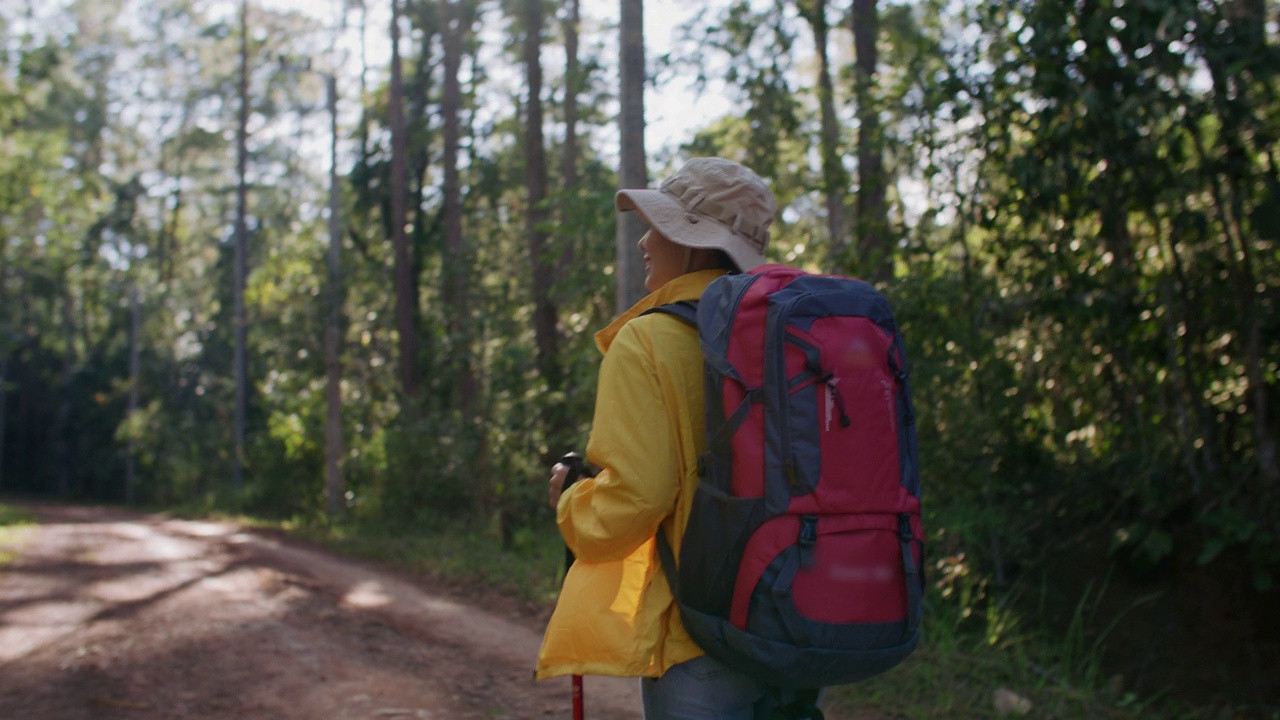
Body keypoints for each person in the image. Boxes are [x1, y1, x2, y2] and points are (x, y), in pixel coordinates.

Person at [534, 157, 792, 719]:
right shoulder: (788, 333)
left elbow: (636, 499)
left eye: (660, 227)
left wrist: (571, 503)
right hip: (797, 615)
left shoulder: (650, 340)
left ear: (696, 244)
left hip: (704, 633)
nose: (645, 242)